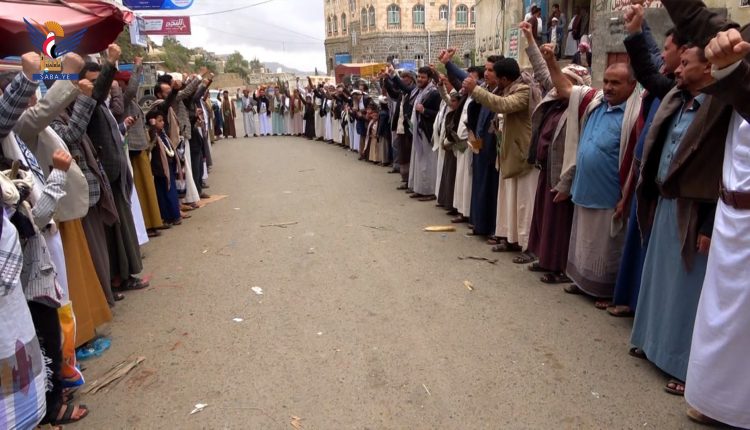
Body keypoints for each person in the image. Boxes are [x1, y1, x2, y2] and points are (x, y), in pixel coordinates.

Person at [659, 0, 750, 426]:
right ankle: (716, 403)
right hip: (730, 211)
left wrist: (730, 70)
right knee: (721, 322)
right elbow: (700, 21)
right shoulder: (740, 40)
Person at [630, 44, 716, 398]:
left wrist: (709, 225)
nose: (677, 70)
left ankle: (683, 366)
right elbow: (648, 73)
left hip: (694, 210)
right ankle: (652, 345)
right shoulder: (678, 99)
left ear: (708, 68)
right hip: (666, 201)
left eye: (684, 63)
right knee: (660, 280)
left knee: (686, 291)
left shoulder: (719, 109)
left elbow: (724, 172)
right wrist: (634, 34)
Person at [543, 47, 642, 304]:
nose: (608, 87)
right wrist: (550, 61)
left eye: (615, 83)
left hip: (610, 193)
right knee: (584, 242)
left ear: (632, 85)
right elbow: (565, 88)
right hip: (585, 187)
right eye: (606, 81)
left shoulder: (636, 114)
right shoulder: (595, 102)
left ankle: (606, 292)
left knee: (608, 246)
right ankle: (583, 282)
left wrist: (626, 197)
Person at [522, 22, 590, 284]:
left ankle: (559, 267)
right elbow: (544, 72)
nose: (558, 85)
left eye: (567, 81)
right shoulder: (556, 100)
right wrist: (530, 39)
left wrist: (567, 181)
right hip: (546, 168)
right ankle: (545, 258)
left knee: (559, 223)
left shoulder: (580, 109)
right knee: (544, 217)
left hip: (563, 172)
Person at [465, 50, 542, 260]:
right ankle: (511, 239)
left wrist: (475, 90)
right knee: (510, 202)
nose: (492, 80)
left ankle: (528, 247)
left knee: (524, 205)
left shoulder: (524, 91)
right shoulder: (509, 89)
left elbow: (502, 105)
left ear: (505, 79)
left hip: (523, 157)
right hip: (509, 155)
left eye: (495, 76)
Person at [442, 50, 502, 236]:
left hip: (493, 146)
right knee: (478, 183)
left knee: (490, 187)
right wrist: (448, 64)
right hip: (478, 143)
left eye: (490, 70)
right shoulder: (485, 88)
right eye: (486, 69)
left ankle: (491, 228)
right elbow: (463, 78)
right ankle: (479, 224)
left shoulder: (501, 93)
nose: (487, 73)